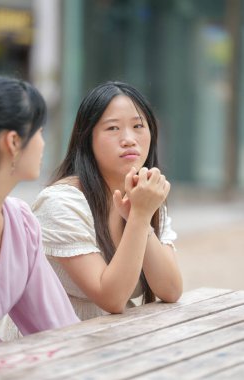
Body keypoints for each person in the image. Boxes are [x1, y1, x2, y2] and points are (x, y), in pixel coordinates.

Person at [32, 81, 183, 321]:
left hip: (116, 341)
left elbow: (170, 290)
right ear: (86, 138)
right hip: (56, 342)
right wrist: (140, 217)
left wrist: (141, 217)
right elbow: (111, 298)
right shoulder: (62, 202)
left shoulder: (145, 195)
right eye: (113, 128)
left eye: (138, 126)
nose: (129, 139)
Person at [0, 75, 79, 344]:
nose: (43, 143)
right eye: (40, 131)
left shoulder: (21, 224)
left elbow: (57, 327)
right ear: (14, 142)